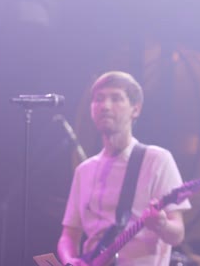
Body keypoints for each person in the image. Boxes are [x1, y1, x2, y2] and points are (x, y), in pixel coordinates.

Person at [57, 71, 191, 266]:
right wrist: (70, 260)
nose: (105, 106)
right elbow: (69, 235)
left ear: (135, 109)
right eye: (98, 99)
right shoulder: (84, 171)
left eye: (116, 98)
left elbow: (177, 234)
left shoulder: (157, 159)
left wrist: (161, 224)